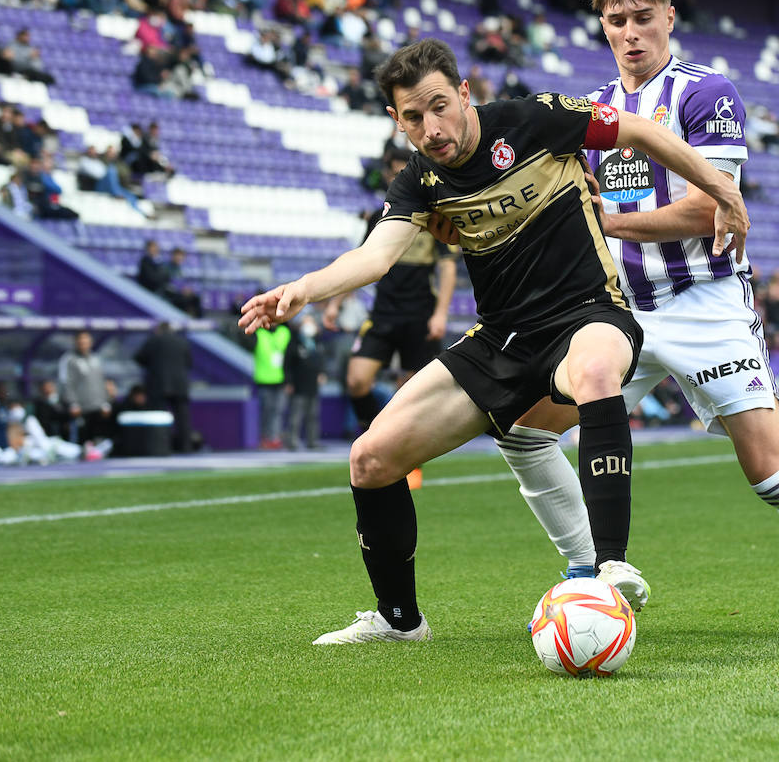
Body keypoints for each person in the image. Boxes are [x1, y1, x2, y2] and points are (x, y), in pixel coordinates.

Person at [238, 36, 748, 645]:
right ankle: (401, 623)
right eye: (413, 117)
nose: (432, 128)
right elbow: (375, 257)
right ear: (395, 121)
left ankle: (607, 568)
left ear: (463, 93)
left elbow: (640, 132)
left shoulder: (534, 120)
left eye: (439, 106)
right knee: (370, 459)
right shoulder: (419, 182)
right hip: (501, 340)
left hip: (589, 313)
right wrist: (301, 289)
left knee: (593, 375)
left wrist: (722, 190)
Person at [490, 0, 779, 635]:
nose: (631, 32)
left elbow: (711, 211)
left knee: (769, 472)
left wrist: (606, 219)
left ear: (669, 17)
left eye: (644, 17)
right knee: (524, 433)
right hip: (622, 312)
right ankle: (587, 572)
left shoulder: (707, 93)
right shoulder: (595, 112)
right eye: (617, 20)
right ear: (604, 27)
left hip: (705, 303)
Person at [344, 204, 458, 432]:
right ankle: (373, 432)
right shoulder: (379, 215)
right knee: (356, 381)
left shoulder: (435, 216)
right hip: (382, 313)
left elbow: (447, 266)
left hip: (420, 315)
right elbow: (359, 259)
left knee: (413, 394)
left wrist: (441, 314)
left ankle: (410, 460)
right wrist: (336, 303)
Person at [135, 322, 193, 453]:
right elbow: (189, 362)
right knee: (182, 418)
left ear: (159, 330)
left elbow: (138, 358)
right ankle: (186, 447)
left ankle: (161, 447)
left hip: (159, 385)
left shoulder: (153, 341)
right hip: (180, 385)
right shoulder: (182, 342)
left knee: (158, 417)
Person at [58, 330, 114, 458]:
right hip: (81, 407)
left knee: (98, 440)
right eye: (81, 342)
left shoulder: (96, 358)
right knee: (81, 444)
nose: (84, 344)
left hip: (97, 406)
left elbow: (101, 381)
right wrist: (72, 403)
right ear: (76, 343)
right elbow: (66, 382)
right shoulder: (69, 360)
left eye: (86, 341)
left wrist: (106, 402)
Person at [285, 311, 326, 450]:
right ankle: (292, 442)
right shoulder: (295, 341)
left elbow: (320, 361)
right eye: (306, 322)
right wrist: (289, 382)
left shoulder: (316, 342)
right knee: (296, 416)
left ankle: (312, 442)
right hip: (298, 385)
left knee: (313, 416)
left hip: (313, 385)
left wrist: (321, 373)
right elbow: (287, 363)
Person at [252, 320, 291, 450]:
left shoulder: (284, 332)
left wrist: (289, 380)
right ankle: (264, 438)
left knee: (278, 411)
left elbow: (290, 357)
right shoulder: (259, 333)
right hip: (264, 380)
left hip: (281, 380)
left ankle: (275, 437)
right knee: (266, 412)